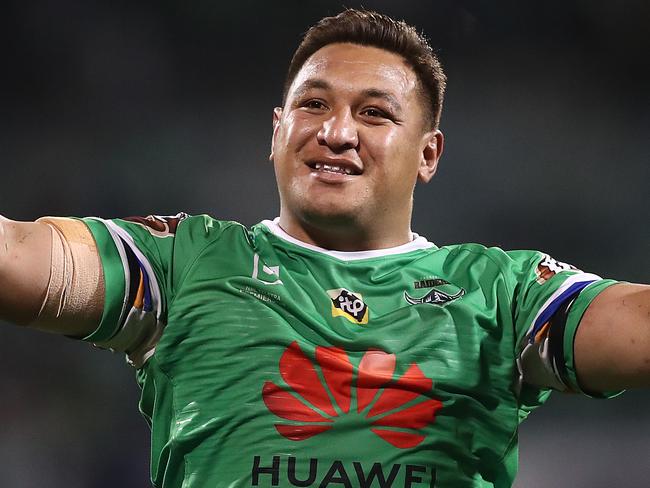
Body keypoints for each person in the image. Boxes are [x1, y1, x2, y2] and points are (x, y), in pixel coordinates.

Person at [0, 8, 648, 488]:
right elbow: (18, 255)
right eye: (314, 104)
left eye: (374, 114)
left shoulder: (497, 291)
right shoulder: (182, 261)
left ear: (428, 154)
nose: (336, 132)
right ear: (277, 131)